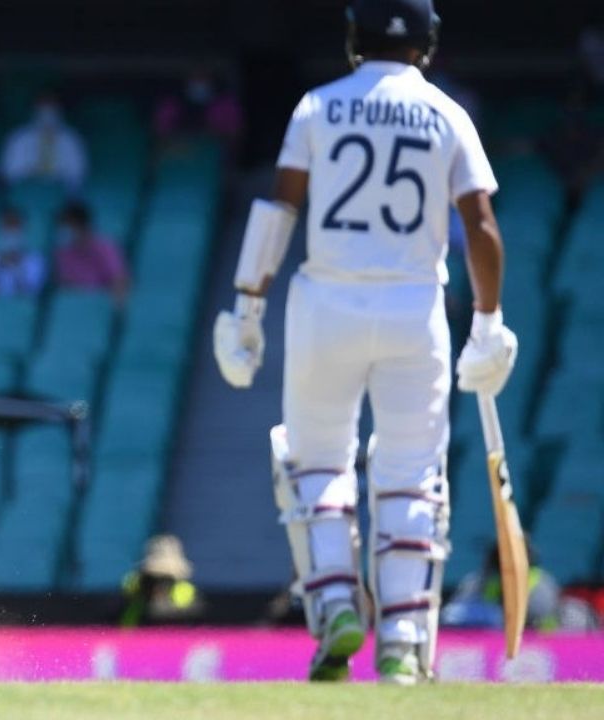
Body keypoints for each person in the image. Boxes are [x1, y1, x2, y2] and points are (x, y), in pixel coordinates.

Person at [213, 0, 517, 685]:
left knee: (316, 466)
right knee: (411, 475)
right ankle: (405, 643)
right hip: (415, 307)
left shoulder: (318, 107)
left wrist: (246, 308)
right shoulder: (448, 113)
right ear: (429, 42)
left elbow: (280, 206)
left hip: (327, 303)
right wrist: (491, 322)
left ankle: (335, 608)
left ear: (354, 39)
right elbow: (482, 223)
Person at [441, 544, 562, 631]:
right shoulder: (483, 579)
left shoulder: (541, 584)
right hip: (493, 637)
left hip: (539, 639)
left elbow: (538, 615)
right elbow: (451, 614)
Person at [0, 91, 88, 191]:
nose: (47, 112)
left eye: (52, 107)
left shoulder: (72, 139)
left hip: (61, 196)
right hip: (24, 194)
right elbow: (9, 173)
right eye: (42, 107)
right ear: (34, 110)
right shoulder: (18, 137)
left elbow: (78, 174)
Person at [54, 200, 130, 304]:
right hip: (74, 306)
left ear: (80, 225)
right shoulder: (62, 254)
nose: (64, 229)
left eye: (67, 225)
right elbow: (63, 284)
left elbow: (119, 280)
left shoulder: (105, 248)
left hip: (100, 304)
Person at [119, 534, 204, 627]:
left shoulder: (191, 601)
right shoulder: (132, 602)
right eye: (152, 579)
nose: (158, 586)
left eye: (166, 579)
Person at [0, 207, 45, 297]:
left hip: (23, 309)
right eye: (6, 225)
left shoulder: (35, 259)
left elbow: (31, 295)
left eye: (15, 225)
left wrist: (17, 267)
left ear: (24, 228)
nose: (11, 231)